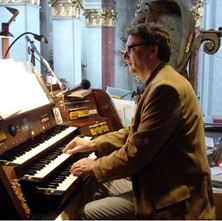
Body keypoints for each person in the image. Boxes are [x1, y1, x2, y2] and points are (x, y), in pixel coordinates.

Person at [62, 23, 215, 219]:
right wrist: (92, 144)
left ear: (153, 49)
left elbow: (136, 153)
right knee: (92, 182)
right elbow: (132, 132)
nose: (125, 57)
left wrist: (95, 166)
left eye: (130, 49)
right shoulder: (159, 81)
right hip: (161, 180)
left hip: (177, 198)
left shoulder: (165, 89)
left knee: (87, 212)